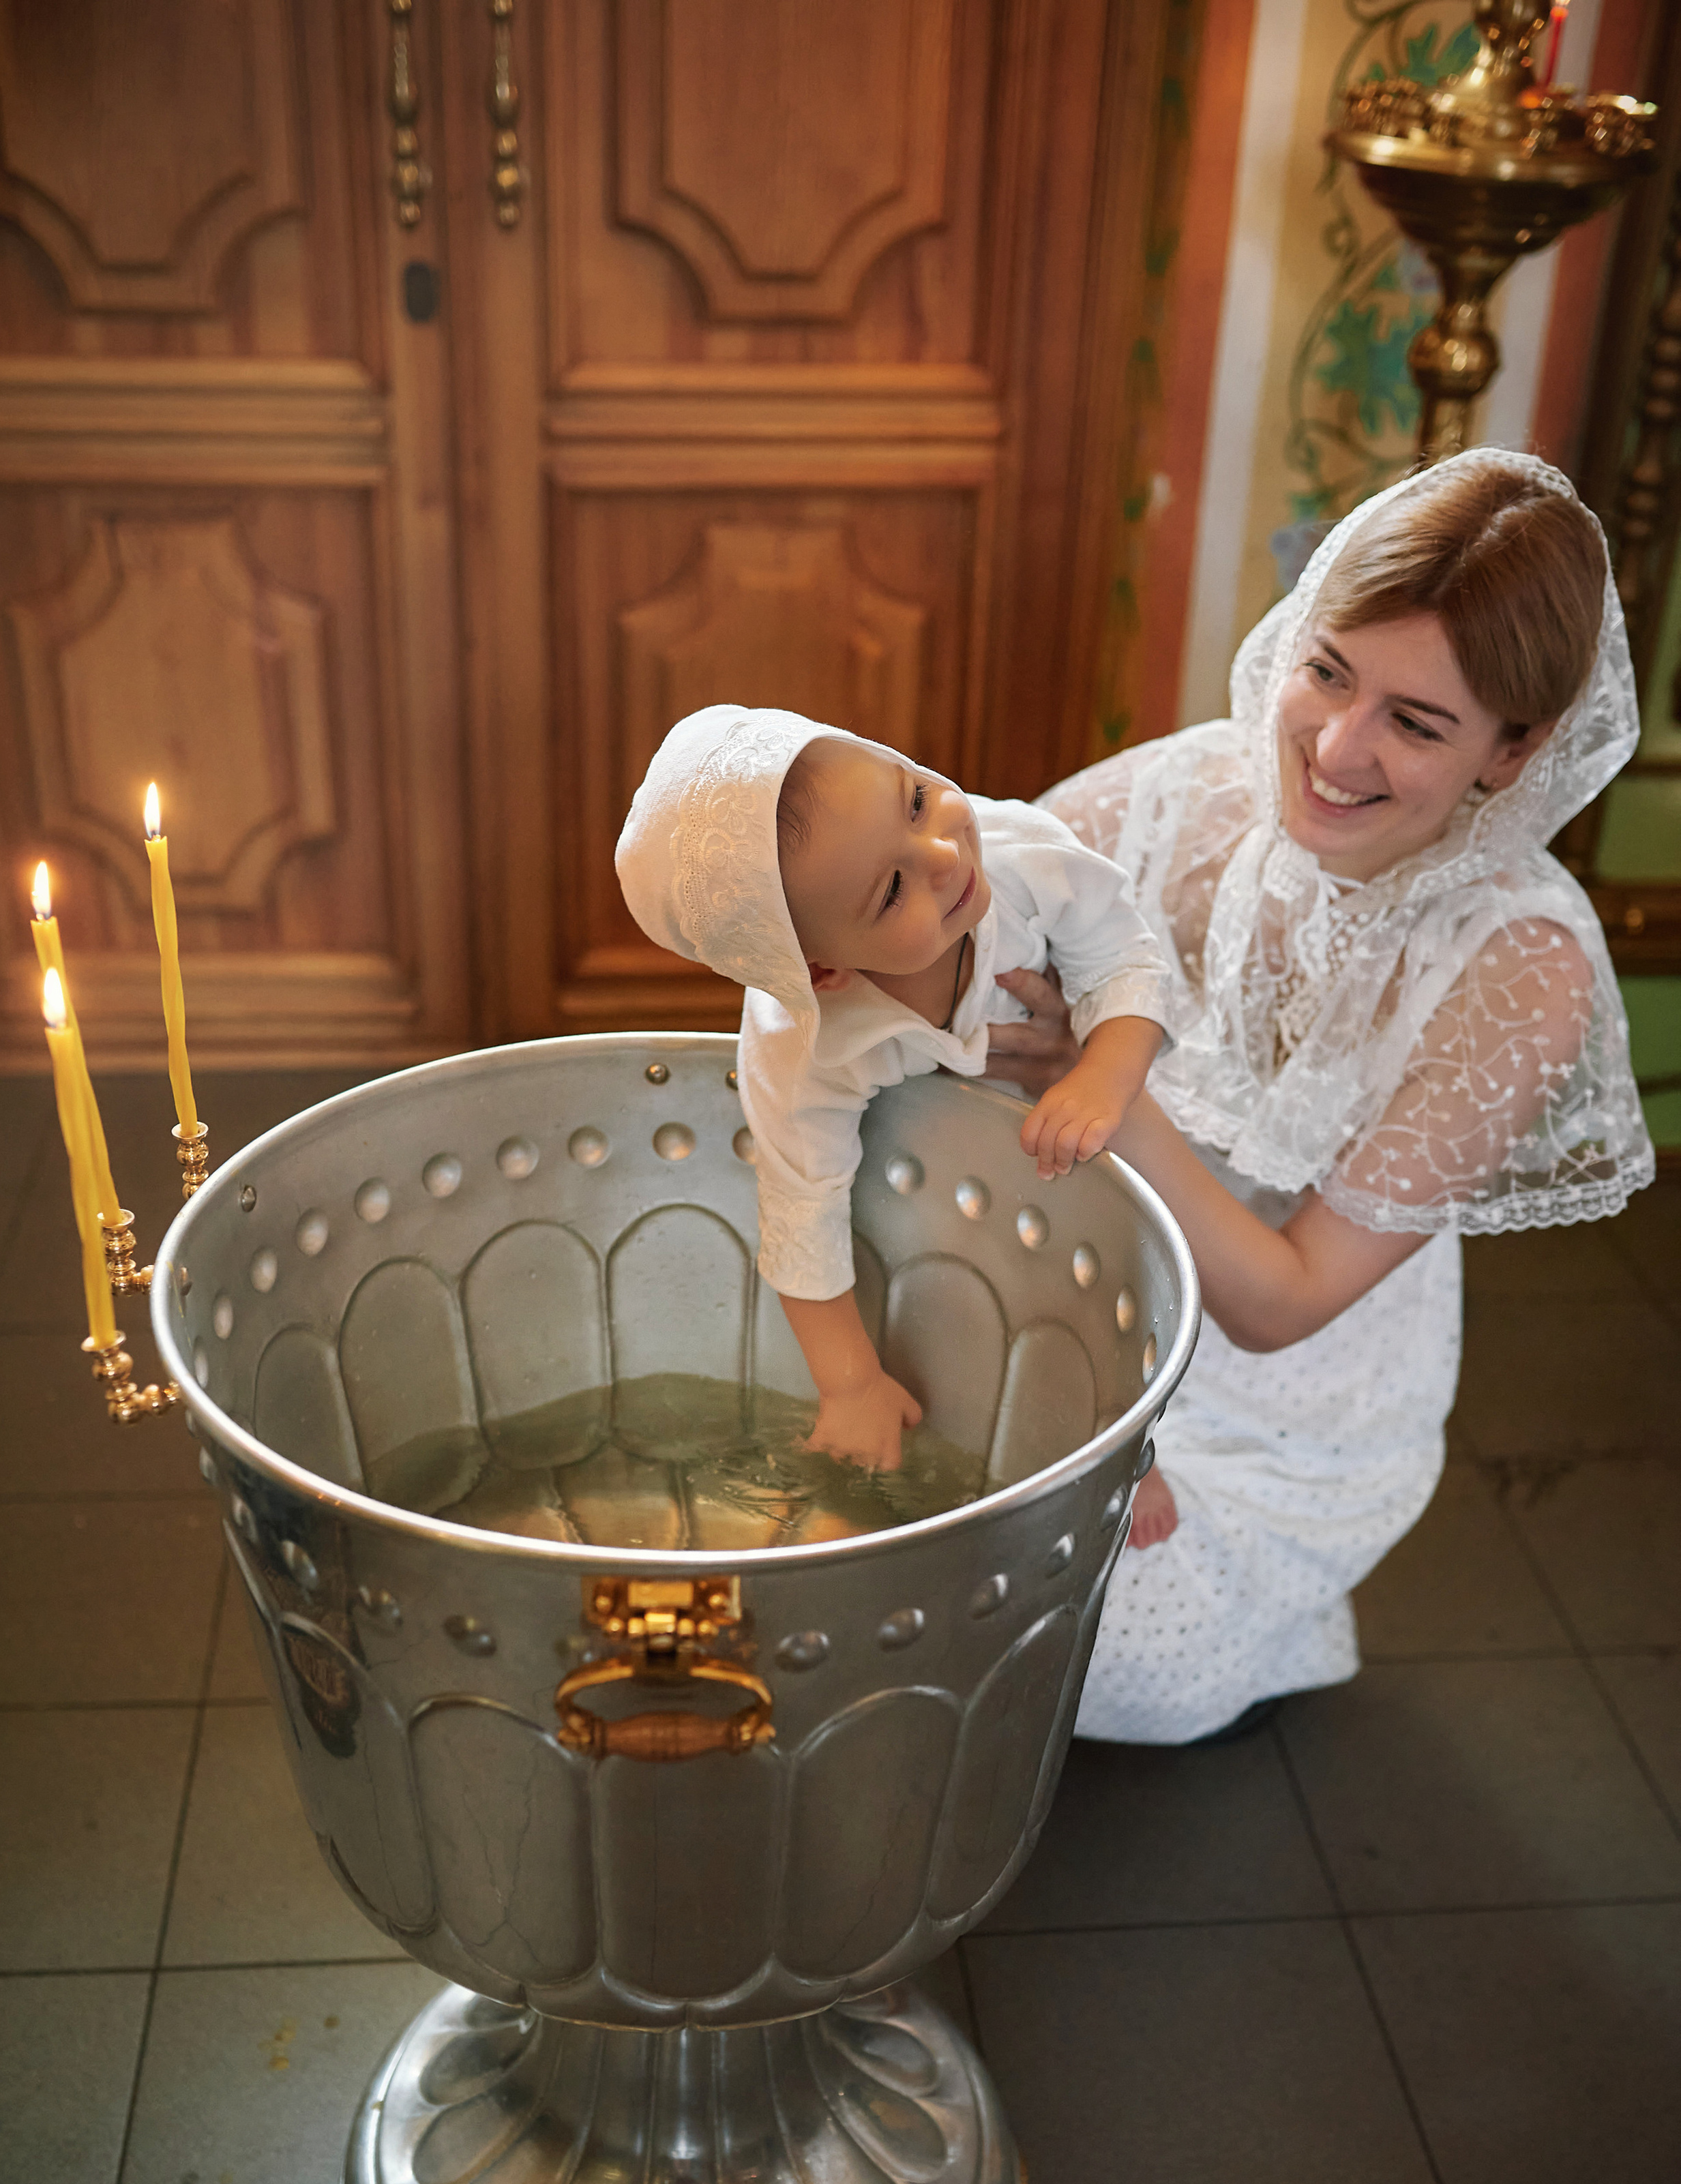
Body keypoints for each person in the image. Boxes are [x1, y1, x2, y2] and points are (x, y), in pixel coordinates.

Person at [985, 447, 1653, 1743]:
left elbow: (1286, 1301)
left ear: (1512, 753)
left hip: (1277, 1388)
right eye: (1327, 671)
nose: (1335, 750)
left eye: (1416, 722)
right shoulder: (1178, 798)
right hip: (1069, 1262)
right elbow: (956, 953)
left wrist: (1105, 1074)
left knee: (1053, 1638)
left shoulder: (1521, 965)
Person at [615, 706, 1173, 1469]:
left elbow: (1125, 959)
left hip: (1083, 1090)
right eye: (891, 891)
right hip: (949, 1158)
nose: (944, 852)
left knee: (1112, 1273)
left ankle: (1138, 1450)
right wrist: (849, 1386)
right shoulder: (804, 1046)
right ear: (821, 971)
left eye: (912, 799)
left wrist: (1105, 1072)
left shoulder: (1021, 860)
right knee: (966, 1293)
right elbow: (799, 1203)